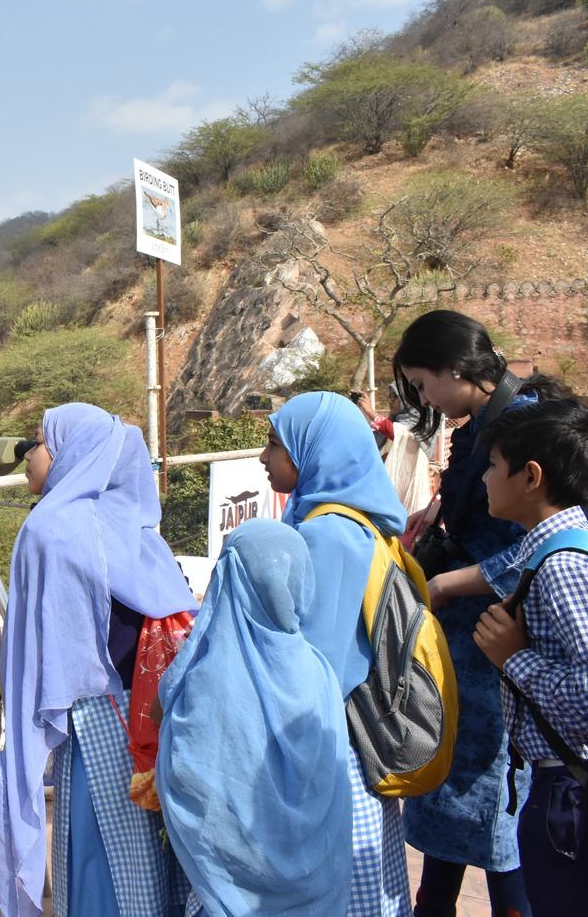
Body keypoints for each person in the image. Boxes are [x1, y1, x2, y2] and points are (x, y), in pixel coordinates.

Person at [0, 402, 194, 917]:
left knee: (98, 868)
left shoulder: (51, 529)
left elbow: (44, 664)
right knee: (148, 869)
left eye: (42, 440)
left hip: (91, 730)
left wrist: (15, 760)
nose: (31, 452)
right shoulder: (134, 522)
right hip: (146, 726)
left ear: (75, 452)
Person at [394, 310, 574, 917]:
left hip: (499, 640)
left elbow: (536, 542)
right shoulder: (482, 423)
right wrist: (439, 513)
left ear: (454, 369)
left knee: (497, 794)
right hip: (471, 642)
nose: (425, 398)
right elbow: (477, 502)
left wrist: (445, 583)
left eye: (423, 384)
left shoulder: (522, 426)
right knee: (457, 789)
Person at [473, 399, 588, 915]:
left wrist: (515, 658)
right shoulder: (582, 542)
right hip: (580, 787)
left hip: (578, 795)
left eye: (495, 465)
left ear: (531, 475)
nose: (483, 479)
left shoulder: (563, 565)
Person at [259, 391, 412, 917]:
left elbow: (313, 660)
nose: (264, 457)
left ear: (312, 451)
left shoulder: (329, 533)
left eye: (275, 444)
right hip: (340, 736)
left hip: (328, 746)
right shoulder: (344, 517)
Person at [157, 517, 352, 917]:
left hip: (224, 896)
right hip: (318, 890)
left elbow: (187, 779)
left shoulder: (203, 677)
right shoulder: (319, 671)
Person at [352, 385, 433, 515]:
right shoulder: (394, 420)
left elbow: (401, 433)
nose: (390, 401)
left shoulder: (419, 421)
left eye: (394, 397)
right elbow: (375, 439)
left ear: (406, 400)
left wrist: (371, 412)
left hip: (409, 488)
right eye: (389, 396)